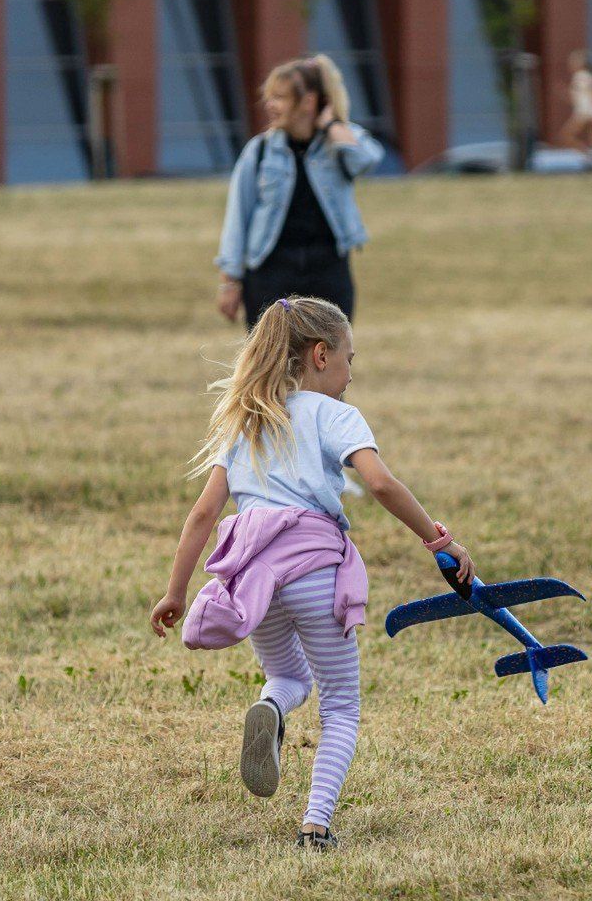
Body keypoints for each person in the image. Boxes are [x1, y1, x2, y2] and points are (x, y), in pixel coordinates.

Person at [151, 296, 474, 853]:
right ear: (321, 356)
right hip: (315, 571)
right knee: (342, 702)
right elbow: (380, 484)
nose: (352, 375)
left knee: (290, 678)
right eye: (350, 359)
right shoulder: (335, 415)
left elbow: (204, 513)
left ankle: (273, 709)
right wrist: (438, 539)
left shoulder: (247, 419)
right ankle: (315, 827)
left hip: (255, 579)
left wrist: (175, 590)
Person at [216, 56, 385, 328]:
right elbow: (238, 216)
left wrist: (330, 124)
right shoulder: (259, 151)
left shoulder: (337, 145)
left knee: (329, 361)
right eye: (269, 97)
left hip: (328, 270)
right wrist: (229, 282)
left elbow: (367, 159)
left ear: (308, 101)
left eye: (279, 97)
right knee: (271, 364)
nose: (269, 105)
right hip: (270, 270)